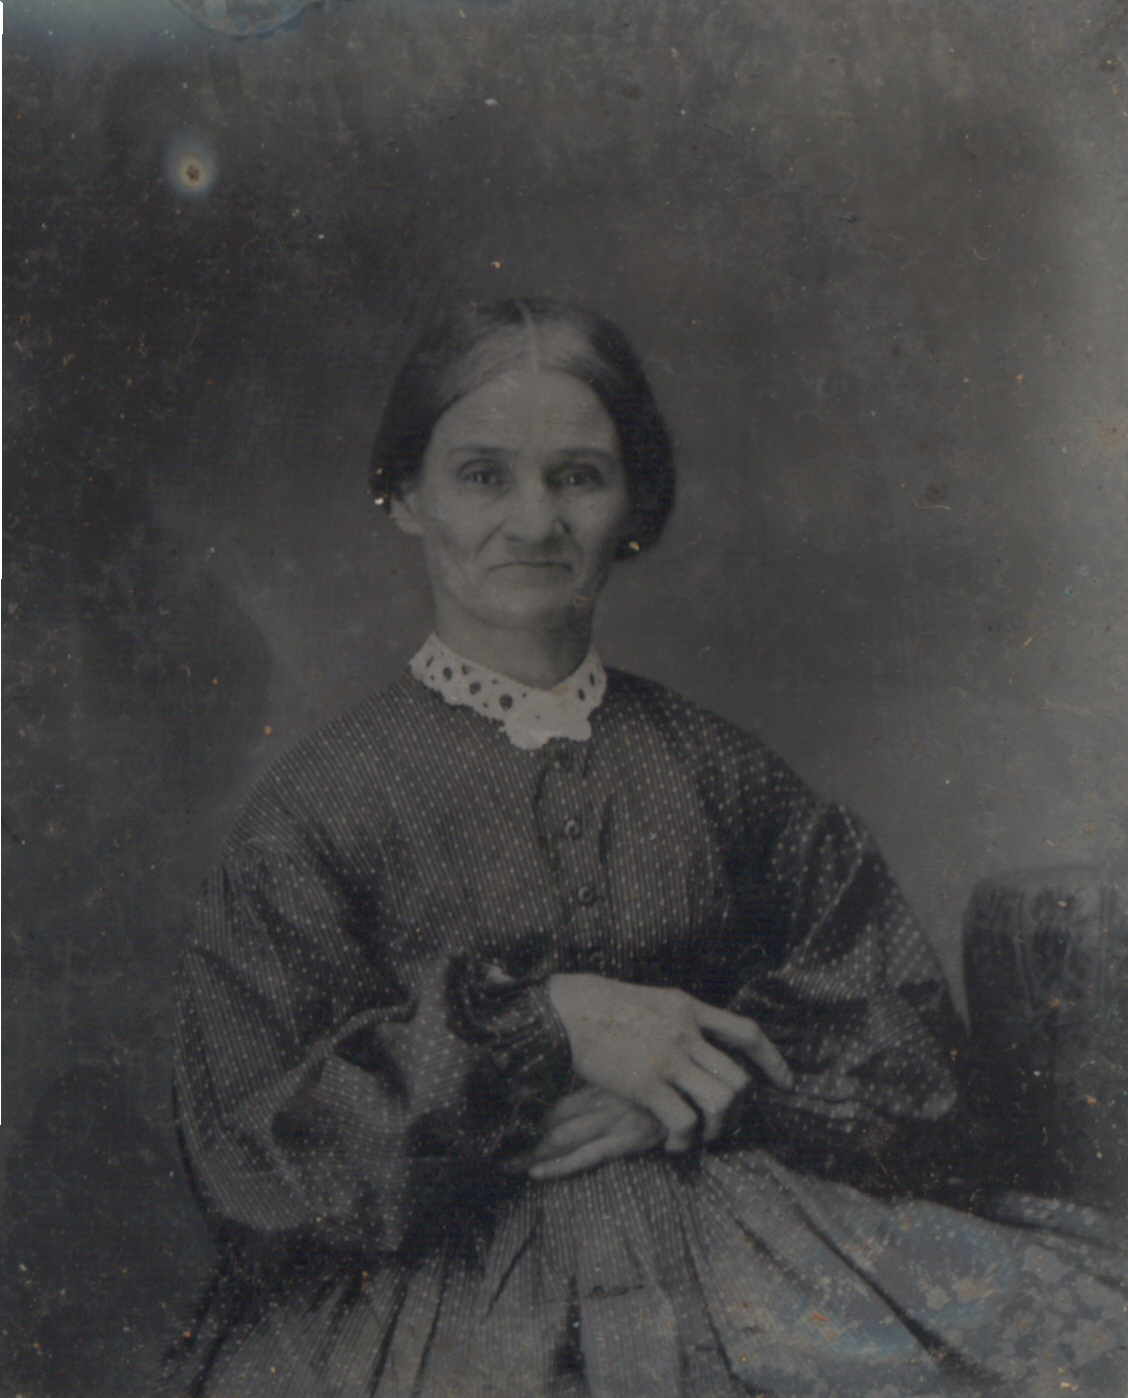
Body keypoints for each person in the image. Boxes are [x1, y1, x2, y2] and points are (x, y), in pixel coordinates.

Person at [168, 300, 1127, 1398]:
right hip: (433, 1317)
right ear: (405, 497)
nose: (534, 520)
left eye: (578, 476)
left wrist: (697, 1087)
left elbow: (909, 1060)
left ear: (635, 504)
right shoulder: (320, 812)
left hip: (754, 1263)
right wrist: (550, 1029)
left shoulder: (724, 776)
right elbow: (249, 1157)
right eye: (483, 475)